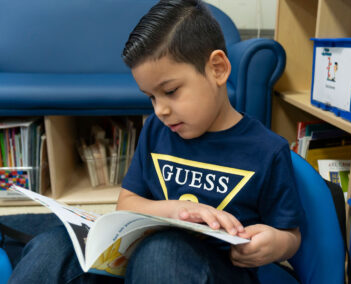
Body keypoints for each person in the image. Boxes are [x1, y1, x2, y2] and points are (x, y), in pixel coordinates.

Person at [9, 0, 304, 283]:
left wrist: (275, 244)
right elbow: (126, 204)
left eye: (171, 91)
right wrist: (177, 211)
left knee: (162, 253)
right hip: (137, 263)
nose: (160, 110)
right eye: (151, 96)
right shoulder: (156, 132)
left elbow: (291, 236)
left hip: (217, 270)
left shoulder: (267, 150)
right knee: (53, 246)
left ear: (217, 68)